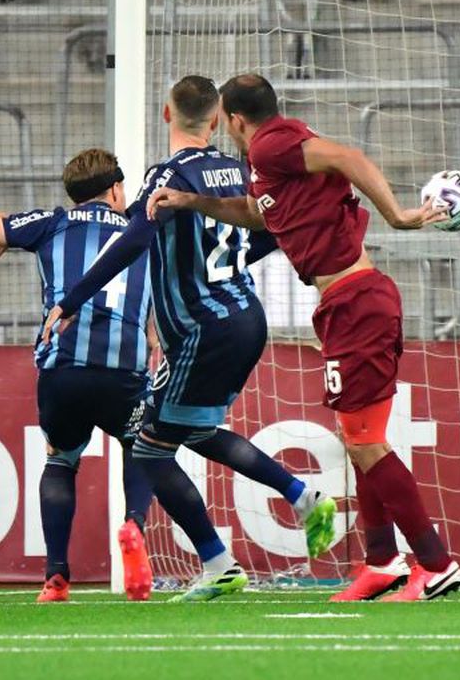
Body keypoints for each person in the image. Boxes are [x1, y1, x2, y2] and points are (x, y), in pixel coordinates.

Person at [145, 74, 460, 602]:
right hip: (350, 304)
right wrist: (190, 200)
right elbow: (254, 214)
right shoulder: (269, 163)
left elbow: (351, 158)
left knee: (364, 443)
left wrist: (399, 217)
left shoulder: (271, 143)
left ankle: (435, 564)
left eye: (225, 119)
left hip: (357, 303)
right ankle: (383, 562)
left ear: (236, 120)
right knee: (359, 441)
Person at [43, 76, 337, 602]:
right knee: (195, 432)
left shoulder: (168, 174)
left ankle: (220, 562)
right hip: (246, 315)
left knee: (150, 448)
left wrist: (73, 298)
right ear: (219, 117)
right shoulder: (240, 168)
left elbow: (133, 238)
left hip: (204, 328)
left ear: (166, 113)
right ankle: (300, 493)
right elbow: (268, 229)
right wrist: (229, 265)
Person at [0, 148, 157, 602]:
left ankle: (55, 576)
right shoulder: (144, 231)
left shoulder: (53, 223)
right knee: (142, 443)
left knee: (60, 460)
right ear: (116, 190)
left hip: (61, 372)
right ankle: (134, 526)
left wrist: (6, 234)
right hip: (121, 370)